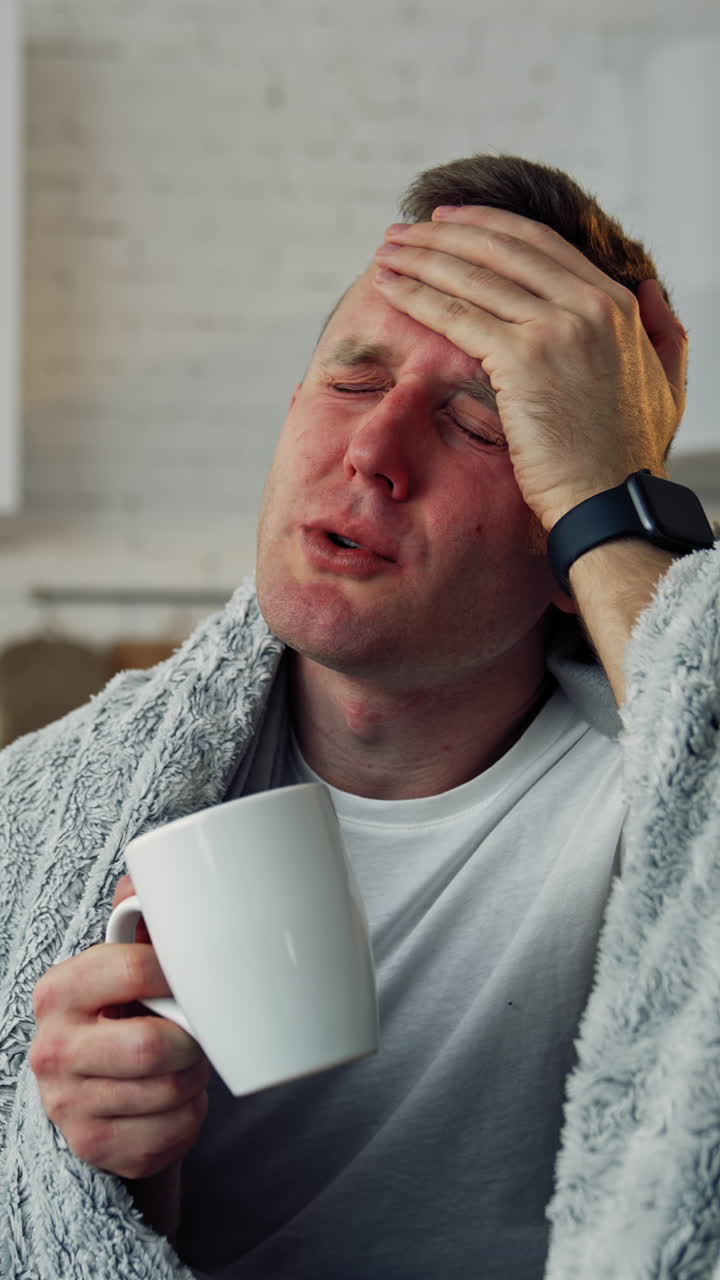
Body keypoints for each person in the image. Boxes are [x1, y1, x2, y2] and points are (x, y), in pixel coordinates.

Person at [2, 154, 718, 1280]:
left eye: (481, 425)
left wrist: (623, 506)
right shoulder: (42, 808)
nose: (372, 452)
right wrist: (118, 1172)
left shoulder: (664, 800)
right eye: (350, 382)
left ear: (565, 531)